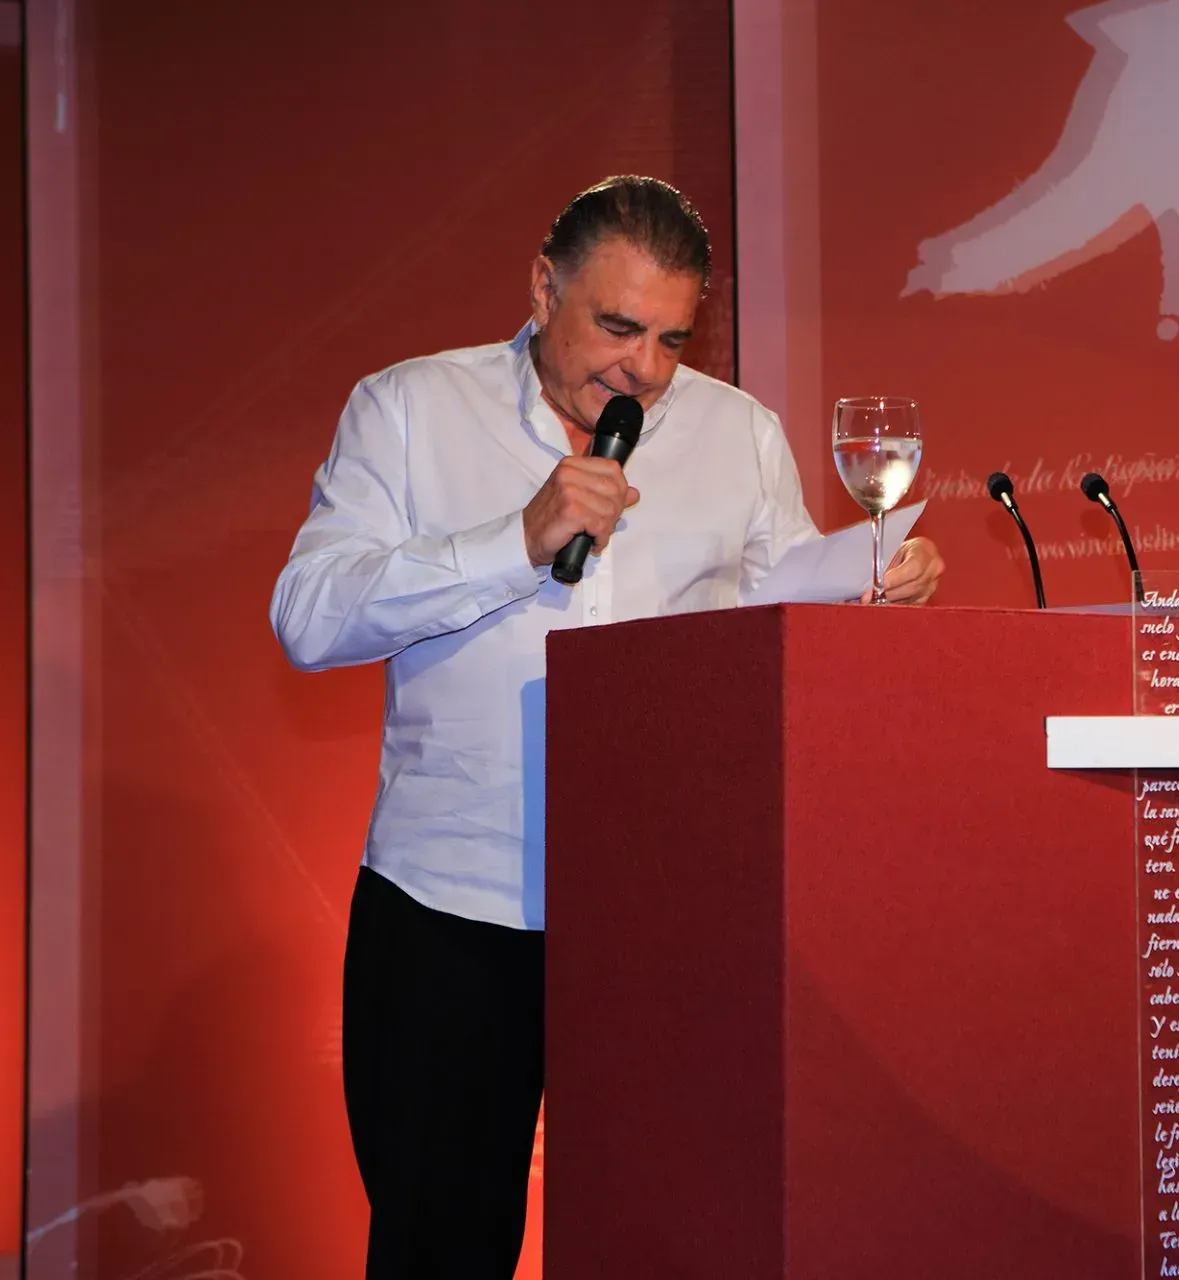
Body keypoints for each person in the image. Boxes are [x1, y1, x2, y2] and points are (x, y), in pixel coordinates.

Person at [270, 175, 943, 1278]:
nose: (644, 370)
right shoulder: (406, 409)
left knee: (674, 1241)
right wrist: (516, 539)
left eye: (672, 339)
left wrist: (871, 586)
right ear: (544, 287)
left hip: (668, 922)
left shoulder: (739, 432)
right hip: (450, 912)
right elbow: (309, 616)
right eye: (618, 326)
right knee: (440, 1250)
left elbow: (787, 626)